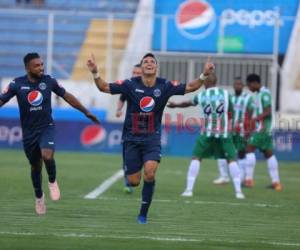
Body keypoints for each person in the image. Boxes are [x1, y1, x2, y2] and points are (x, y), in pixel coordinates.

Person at [87, 52, 214, 224]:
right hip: (131, 139)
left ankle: (143, 214)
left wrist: (204, 74)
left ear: (156, 67)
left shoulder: (165, 85)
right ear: (141, 67)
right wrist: (95, 72)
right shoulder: (130, 84)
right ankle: (133, 172)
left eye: (152, 61)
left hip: (152, 138)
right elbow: (104, 87)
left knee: (150, 173)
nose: (149, 63)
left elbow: (191, 87)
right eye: (145, 61)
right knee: (133, 182)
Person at [0, 52, 100, 215]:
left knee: (47, 156)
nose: (41, 67)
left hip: (46, 127)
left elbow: (67, 96)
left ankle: (52, 181)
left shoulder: (49, 81)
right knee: (35, 167)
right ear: (27, 68)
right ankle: (39, 196)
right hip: (28, 133)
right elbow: (2, 100)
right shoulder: (16, 84)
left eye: (42, 64)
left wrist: (85, 111)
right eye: (37, 65)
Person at [167, 73, 245, 199]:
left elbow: (189, 103)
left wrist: (175, 105)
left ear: (206, 83)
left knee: (196, 158)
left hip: (207, 132)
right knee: (231, 159)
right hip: (224, 132)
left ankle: (188, 190)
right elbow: (231, 112)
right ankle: (239, 192)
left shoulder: (202, 95)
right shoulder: (226, 94)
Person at [244, 74, 282, 191]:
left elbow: (268, 111)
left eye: (249, 85)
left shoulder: (265, 93)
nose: (249, 87)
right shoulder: (258, 94)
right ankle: (276, 183)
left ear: (255, 82)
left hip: (262, 129)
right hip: (264, 129)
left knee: (249, 149)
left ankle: (249, 180)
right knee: (268, 154)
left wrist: (255, 119)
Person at [213, 77, 253, 185]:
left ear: (243, 86)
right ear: (233, 86)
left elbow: (250, 114)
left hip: (242, 130)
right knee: (222, 151)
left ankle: (241, 178)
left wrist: (248, 129)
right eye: (236, 84)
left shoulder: (247, 98)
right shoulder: (229, 97)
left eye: (240, 84)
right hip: (229, 129)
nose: (237, 86)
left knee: (241, 153)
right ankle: (224, 176)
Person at [115, 64, 142, 194]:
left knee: (142, 157)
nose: (135, 74)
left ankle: (135, 175)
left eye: (138, 72)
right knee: (126, 157)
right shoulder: (129, 86)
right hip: (129, 128)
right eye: (134, 72)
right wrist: (118, 109)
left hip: (146, 130)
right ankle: (127, 182)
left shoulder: (149, 87)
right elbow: (121, 99)